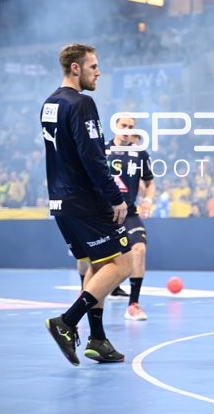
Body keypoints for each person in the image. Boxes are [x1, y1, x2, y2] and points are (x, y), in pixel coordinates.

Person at [40, 43, 132, 366]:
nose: (99, 72)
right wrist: (114, 196)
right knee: (123, 265)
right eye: (93, 66)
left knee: (96, 267)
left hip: (61, 202)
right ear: (75, 68)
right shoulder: (82, 103)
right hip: (84, 201)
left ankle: (97, 339)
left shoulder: (49, 104)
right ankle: (66, 322)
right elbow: (93, 156)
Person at [106, 115, 155, 321]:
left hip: (129, 213)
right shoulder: (101, 150)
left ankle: (133, 305)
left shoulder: (139, 154)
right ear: (115, 126)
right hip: (101, 214)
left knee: (139, 249)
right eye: (123, 125)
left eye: (131, 127)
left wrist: (147, 201)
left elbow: (149, 182)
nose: (127, 130)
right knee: (93, 260)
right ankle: (86, 295)